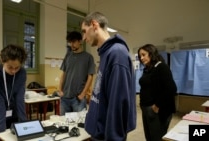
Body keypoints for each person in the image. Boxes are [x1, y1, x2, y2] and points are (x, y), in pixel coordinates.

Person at [81, 12, 136, 141]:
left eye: (84, 31)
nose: (83, 38)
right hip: (99, 132)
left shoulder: (117, 53)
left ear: (94, 25)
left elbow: (118, 105)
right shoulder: (105, 53)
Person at [0, 44, 27, 134]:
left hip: (13, 115)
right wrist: (1, 126)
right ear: (2, 61)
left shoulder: (22, 72)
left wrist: (23, 122)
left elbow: (19, 98)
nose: (13, 71)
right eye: (10, 67)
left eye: (17, 67)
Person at [137, 44, 177, 141]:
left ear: (151, 53)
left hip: (157, 110)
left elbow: (171, 88)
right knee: (149, 137)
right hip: (146, 109)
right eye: (140, 56)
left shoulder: (161, 67)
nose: (141, 58)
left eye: (144, 55)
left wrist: (157, 105)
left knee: (156, 138)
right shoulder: (147, 69)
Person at [58, 31, 96, 115]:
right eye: (70, 42)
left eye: (74, 42)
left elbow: (90, 77)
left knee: (79, 124)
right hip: (65, 97)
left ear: (80, 41)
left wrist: (83, 94)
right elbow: (63, 73)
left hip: (78, 99)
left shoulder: (88, 57)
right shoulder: (68, 56)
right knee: (63, 125)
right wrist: (60, 89)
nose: (72, 44)